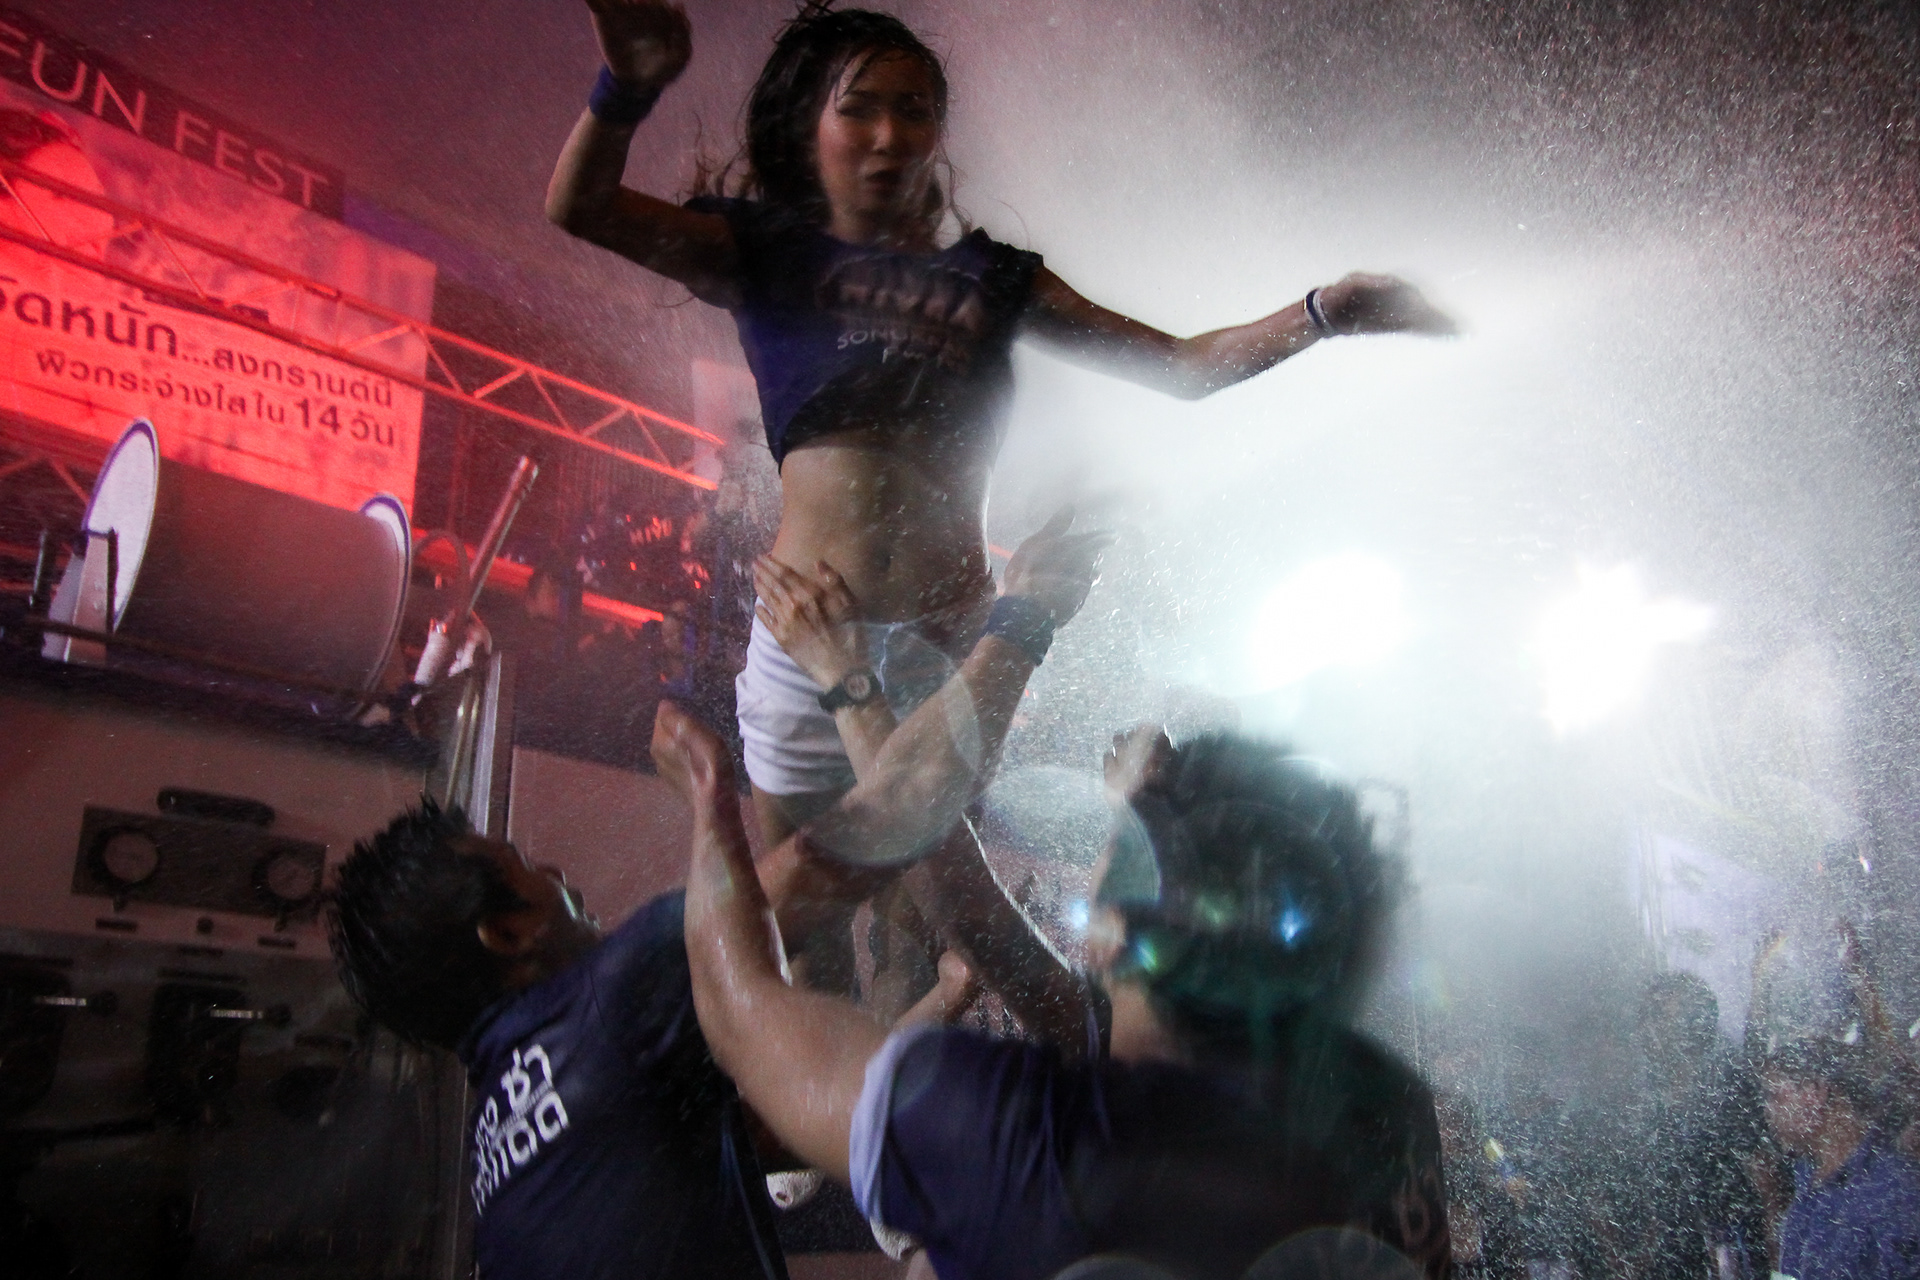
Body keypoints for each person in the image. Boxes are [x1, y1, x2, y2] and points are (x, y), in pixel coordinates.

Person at [548, 0, 1456, 851]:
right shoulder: (765, 254)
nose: (890, 134)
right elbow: (580, 207)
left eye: (914, 111)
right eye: (859, 109)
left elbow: (1182, 367)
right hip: (808, 639)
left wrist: (1324, 313)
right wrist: (626, 84)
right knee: (799, 917)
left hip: (946, 651)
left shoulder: (995, 276)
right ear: (806, 129)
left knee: (930, 920)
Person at [653, 704, 1452, 1280]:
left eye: (1109, 855)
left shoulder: (1033, 1144)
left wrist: (707, 797)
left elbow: (739, 1008)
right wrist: (1163, 815)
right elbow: (975, 906)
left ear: (1109, 938)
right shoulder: (1382, 1101)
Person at [1761, 1037, 1920, 1280]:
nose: (1766, 1112)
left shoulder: (1891, 1190)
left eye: (1773, 1096)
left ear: (1815, 1093)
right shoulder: (1806, 1182)